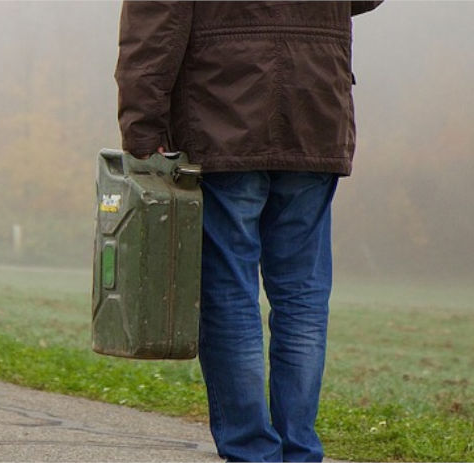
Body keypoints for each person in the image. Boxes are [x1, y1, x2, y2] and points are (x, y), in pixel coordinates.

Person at [115, 2, 382, 461]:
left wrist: (142, 124)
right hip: (316, 102)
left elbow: (154, 19)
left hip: (223, 106)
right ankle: (298, 449)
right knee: (302, 296)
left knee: (229, 289)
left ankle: (251, 450)